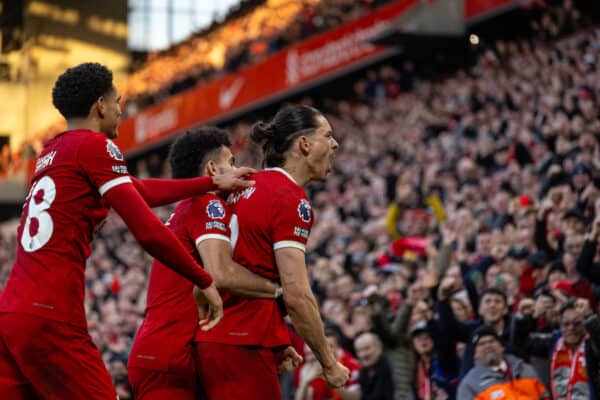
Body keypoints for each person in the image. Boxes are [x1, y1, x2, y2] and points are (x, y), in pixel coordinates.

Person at [0, 63, 252, 399]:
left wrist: (210, 182)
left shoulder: (51, 152)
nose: (122, 110)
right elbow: (147, 232)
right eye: (118, 101)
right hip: (52, 313)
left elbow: (139, 190)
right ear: (100, 106)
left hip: (11, 312)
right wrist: (203, 279)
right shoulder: (96, 146)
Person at [128, 126, 300, 399]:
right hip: (170, 356)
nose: (238, 167)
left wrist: (274, 339)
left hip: (164, 352)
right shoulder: (207, 203)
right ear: (212, 169)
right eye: (230, 162)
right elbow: (223, 275)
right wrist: (283, 291)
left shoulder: (185, 209)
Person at [194, 105, 349, 399]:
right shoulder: (291, 199)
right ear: (304, 144)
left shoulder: (241, 186)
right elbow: (297, 294)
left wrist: (276, 339)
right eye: (327, 135)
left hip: (211, 340)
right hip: (242, 344)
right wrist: (329, 363)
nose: (335, 143)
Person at [512, 298, 600, 400]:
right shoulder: (554, 342)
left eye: (577, 324)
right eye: (566, 324)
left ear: (585, 324)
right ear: (560, 325)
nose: (571, 328)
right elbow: (522, 344)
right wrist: (528, 317)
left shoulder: (592, 343)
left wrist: (590, 318)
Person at [457, 325, 550, 400]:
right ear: (475, 355)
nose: (488, 346)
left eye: (491, 341)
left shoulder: (525, 369)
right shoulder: (469, 385)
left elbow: (544, 396)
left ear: (502, 347)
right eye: (481, 344)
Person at [354, 332, 394, 400]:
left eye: (367, 348)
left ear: (379, 348)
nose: (363, 354)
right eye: (359, 351)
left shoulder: (391, 367)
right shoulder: (362, 372)